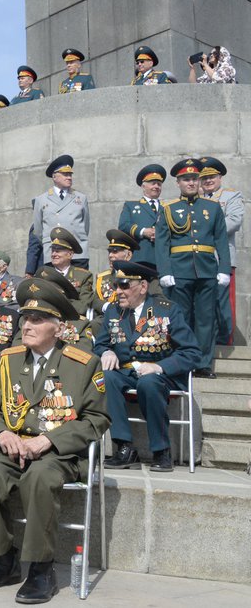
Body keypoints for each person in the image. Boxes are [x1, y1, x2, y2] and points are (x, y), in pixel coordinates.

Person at [0, 281, 109, 604]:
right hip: (13, 446)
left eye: (37, 320)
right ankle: (4, 559)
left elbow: (96, 420)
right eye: (24, 318)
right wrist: (2, 433)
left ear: (58, 328)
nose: (27, 325)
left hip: (58, 452)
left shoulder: (83, 364)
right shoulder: (8, 360)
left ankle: (41, 567)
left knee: (39, 478)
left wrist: (47, 441)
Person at [96, 261, 200, 472]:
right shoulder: (114, 312)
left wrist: (160, 367)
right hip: (125, 372)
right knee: (106, 378)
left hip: (160, 375)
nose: (118, 291)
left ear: (143, 287)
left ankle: (162, 450)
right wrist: (105, 351)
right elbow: (100, 344)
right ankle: (124, 447)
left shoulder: (167, 310)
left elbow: (192, 352)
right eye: (116, 285)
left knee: (149, 382)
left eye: (124, 285)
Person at [155, 158, 230, 378]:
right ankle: (182, 359)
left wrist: (223, 268)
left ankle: (203, 363)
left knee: (207, 318)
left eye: (194, 178)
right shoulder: (169, 209)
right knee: (181, 318)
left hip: (207, 270)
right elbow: (162, 243)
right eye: (186, 179)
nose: (191, 183)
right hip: (179, 271)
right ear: (178, 182)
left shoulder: (212, 208)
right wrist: (165, 271)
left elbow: (221, 240)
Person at [199, 156, 243, 345]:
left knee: (223, 303)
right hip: (199, 260)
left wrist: (205, 229)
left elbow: (234, 221)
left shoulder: (231, 196)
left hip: (221, 258)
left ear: (220, 178)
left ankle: (225, 341)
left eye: (212, 177)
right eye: (205, 178)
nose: (208, 181)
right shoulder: (196, 199)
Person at [33, 154, 90, 267]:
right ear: (54, 177)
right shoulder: (41, 200)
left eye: (70, 174)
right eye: (65, 174)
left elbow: (86, 225)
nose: (69, 177)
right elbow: (38, 230)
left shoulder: (81, 198)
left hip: (77, 252)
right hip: (53, 253)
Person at [118, 164, 166, 266]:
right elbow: (123, 226)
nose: (156, 186)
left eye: (159, 184)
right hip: (140, 257)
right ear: (143, 186)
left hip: (163, 258)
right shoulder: (130, 206)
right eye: (153, 183)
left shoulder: (168, 207)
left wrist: (161, 233)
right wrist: (143, 231)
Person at [41, 227, 94, 315]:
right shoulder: (44, 275)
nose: (54, 254)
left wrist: (57, 302)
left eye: (58, 251)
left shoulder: (83, 276)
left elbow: (83, 306)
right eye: (53, 251)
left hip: (72, 320)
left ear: (70, 254)